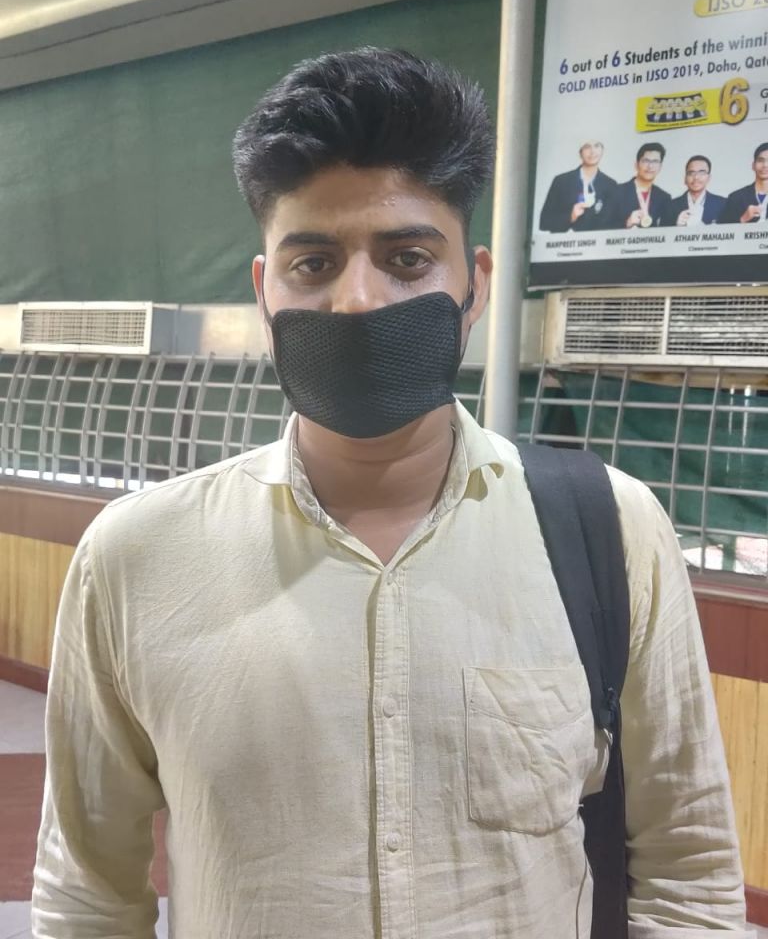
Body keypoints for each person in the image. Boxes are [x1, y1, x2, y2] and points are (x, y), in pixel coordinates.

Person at [32, 48, 751, 939]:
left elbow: (689, 874)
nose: (359, 300)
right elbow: (88, 899)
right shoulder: (135, 556)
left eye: (407, 258)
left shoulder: (611, 531)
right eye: (313, 263)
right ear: (264, 292)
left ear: (473, 286)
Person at [538, 140, 617, 232]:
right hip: (566, 240)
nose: (592, 151)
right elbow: (544, 222)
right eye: (587, 146)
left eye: (597, 146)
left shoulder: (610, 185)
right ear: (580, 152)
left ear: (602, 150)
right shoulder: (561, 181)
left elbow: (613, 225)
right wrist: (571, 216)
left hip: (597, 241)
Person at [611, 141, 671, 229]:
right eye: (646, 161)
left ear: (660, 167)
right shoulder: (616, 192)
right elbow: (603, 227)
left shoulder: (664, 198)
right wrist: (627, 223)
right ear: (636, 165)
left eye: (655, 161)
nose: (650, 166)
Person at [661, 155, 725, 227]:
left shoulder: (723, 204)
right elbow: (662, 232)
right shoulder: (669, 206)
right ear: (685, 178)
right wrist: (676, 227)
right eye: (691, 173)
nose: (696, 177)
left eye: (701, 173)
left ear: (709, 178)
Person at [719, 143, 768, 223]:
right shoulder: (736, 198)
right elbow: (721, 228)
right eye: (760, 160)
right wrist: (743, 219)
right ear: (753, 165)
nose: (765, 165)